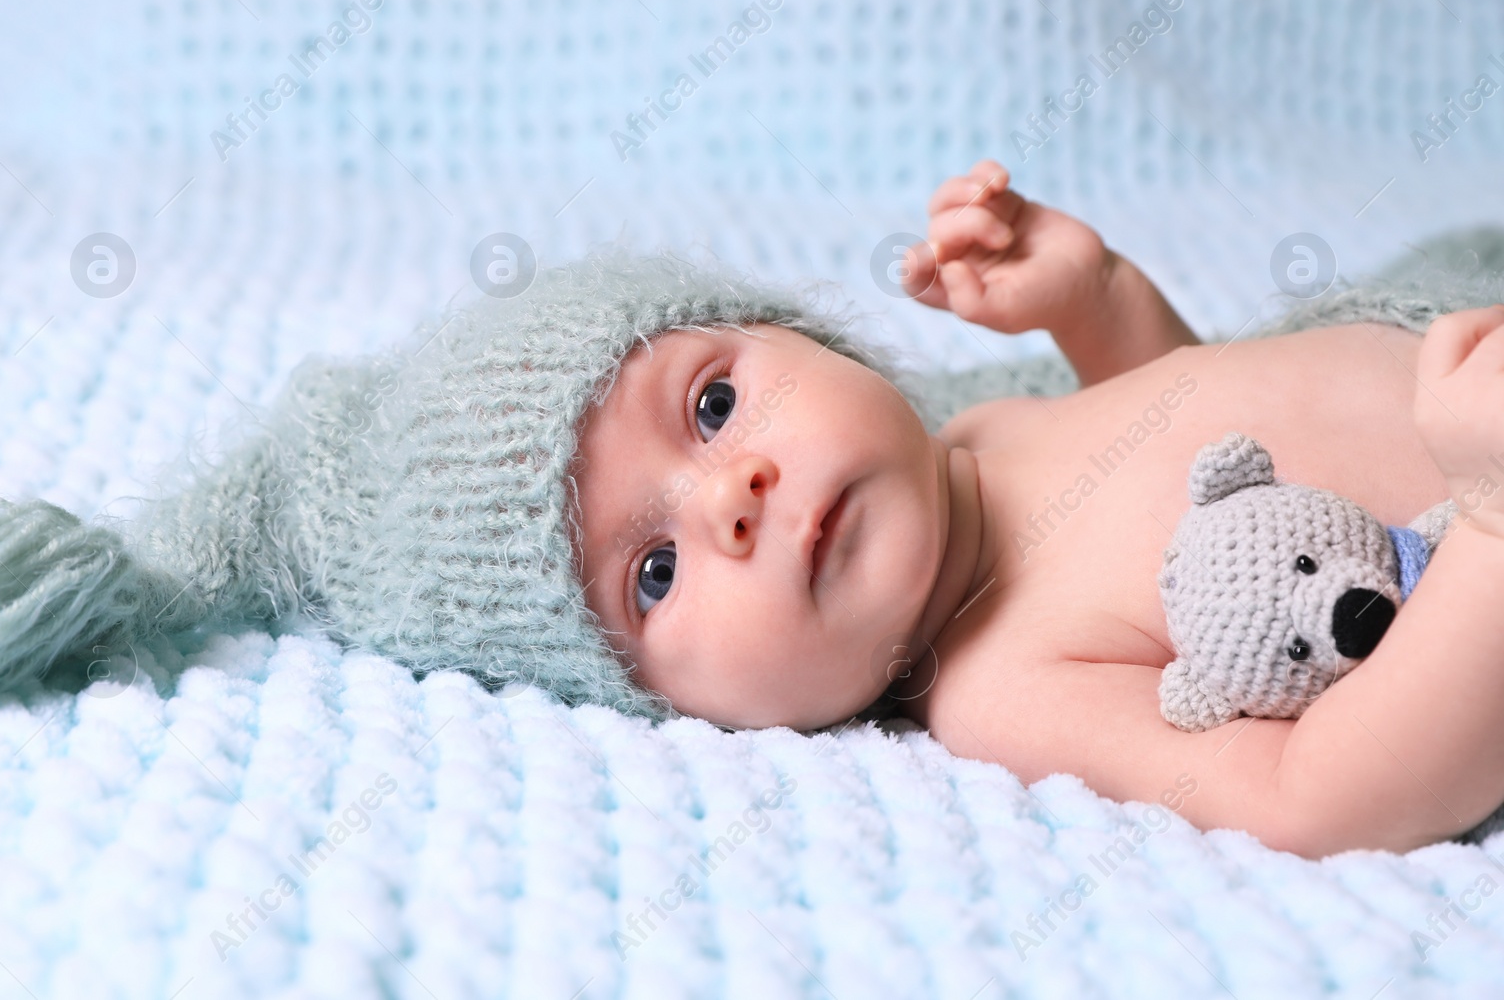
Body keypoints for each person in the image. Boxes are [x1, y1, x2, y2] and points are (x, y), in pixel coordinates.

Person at [569, 160, 1504, 857]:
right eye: (655, 573)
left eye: (713, 406)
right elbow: (1314, 797)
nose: (731, 498)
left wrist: (1100, 302)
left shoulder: (989, 426)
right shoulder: (1003, 688)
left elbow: (1216, 480)